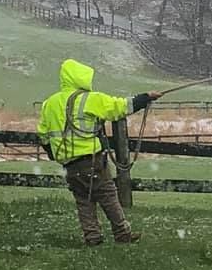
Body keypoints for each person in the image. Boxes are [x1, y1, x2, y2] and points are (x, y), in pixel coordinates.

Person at [37, 59, 158, 246]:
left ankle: (92, 238)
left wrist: (52, 153)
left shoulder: (49, 104)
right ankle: (122, 233)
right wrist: (145, 97)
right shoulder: (90, 99)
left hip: (69, 164)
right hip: (92, 160)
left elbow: (44, 134)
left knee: (84, 201)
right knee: (108, 196)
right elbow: (119, 107)